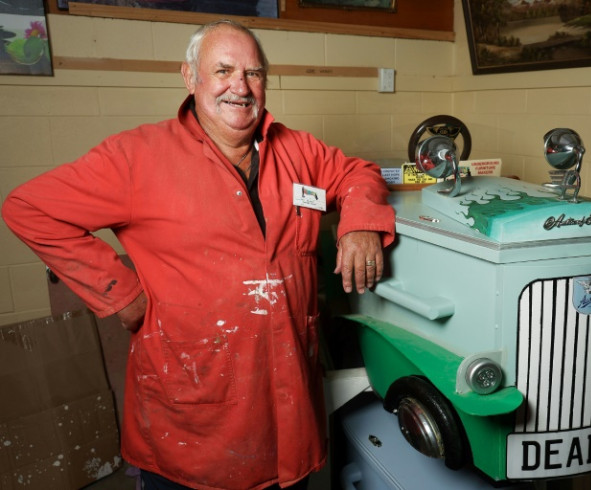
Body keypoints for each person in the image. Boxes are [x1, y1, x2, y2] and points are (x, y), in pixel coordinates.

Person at [2, 20, 395, 490]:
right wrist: (119, 292)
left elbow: (359, 173)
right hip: (193, 423)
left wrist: (361, 224)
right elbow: (29, 208)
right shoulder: (136, 157)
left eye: (253, 73)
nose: (240, 87)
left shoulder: (297, 150)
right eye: (223, 70)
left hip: (290, 414)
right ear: (190, 78)